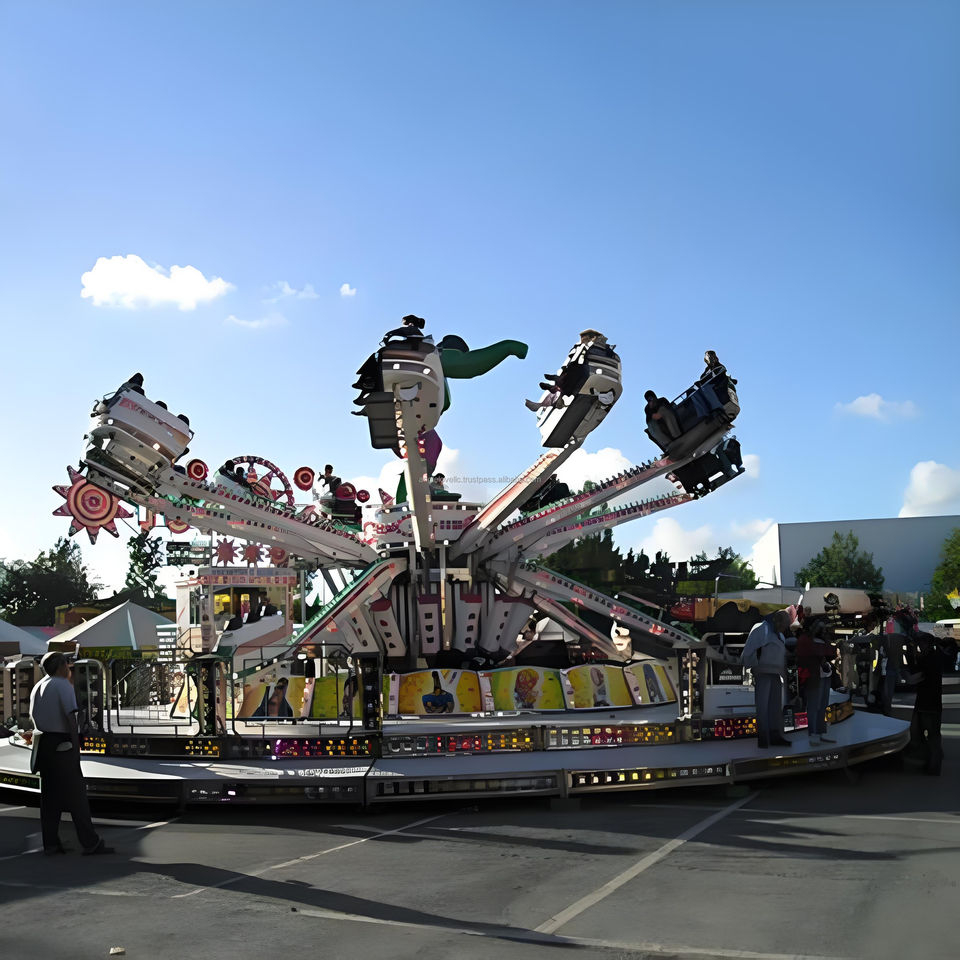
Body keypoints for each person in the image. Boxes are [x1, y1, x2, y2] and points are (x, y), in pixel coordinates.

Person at [28, 652, 111, 855]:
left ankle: (51, 843)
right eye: (67, 664)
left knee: (50, 798)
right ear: (61, 667)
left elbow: (32, 717)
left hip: (44, 744)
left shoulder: (39, 686)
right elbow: (71, 718)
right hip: (62, 744)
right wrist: (76, 748)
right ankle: (90, 842)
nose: (69, 668)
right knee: (77, 796)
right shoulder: (62, 685)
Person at [741, 610, 793, 748]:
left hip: (776, 674)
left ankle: (775, 735)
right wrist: (752, 667)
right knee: (763, 706)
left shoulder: (779, 635)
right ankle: (763, 737)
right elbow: (749, 650)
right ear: (778, 621)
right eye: (784, 625)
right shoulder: (761, 629)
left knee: (775, 706)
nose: (784, 629)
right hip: (763, 672)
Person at [905, 633, 943, 775]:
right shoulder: (932, 657)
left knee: (927, 735)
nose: (919, 646)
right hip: (929, 702)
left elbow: (914, 679)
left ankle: (933, 765)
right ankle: (930, 762)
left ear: (927, 644)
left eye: (921, 643)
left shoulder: (928, 660)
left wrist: (904, 672)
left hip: (928, 703)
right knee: (930, 735)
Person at [796, 619, 837, 745]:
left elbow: (831, 653)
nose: (822, 630)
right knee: (813, 706)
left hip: (825, 675)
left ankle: (819, 733)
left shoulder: (821, 640)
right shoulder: (805, 640)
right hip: (813, 676)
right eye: (820, 628)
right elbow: (812, 654)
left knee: (822, 705)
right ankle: (813, 735)